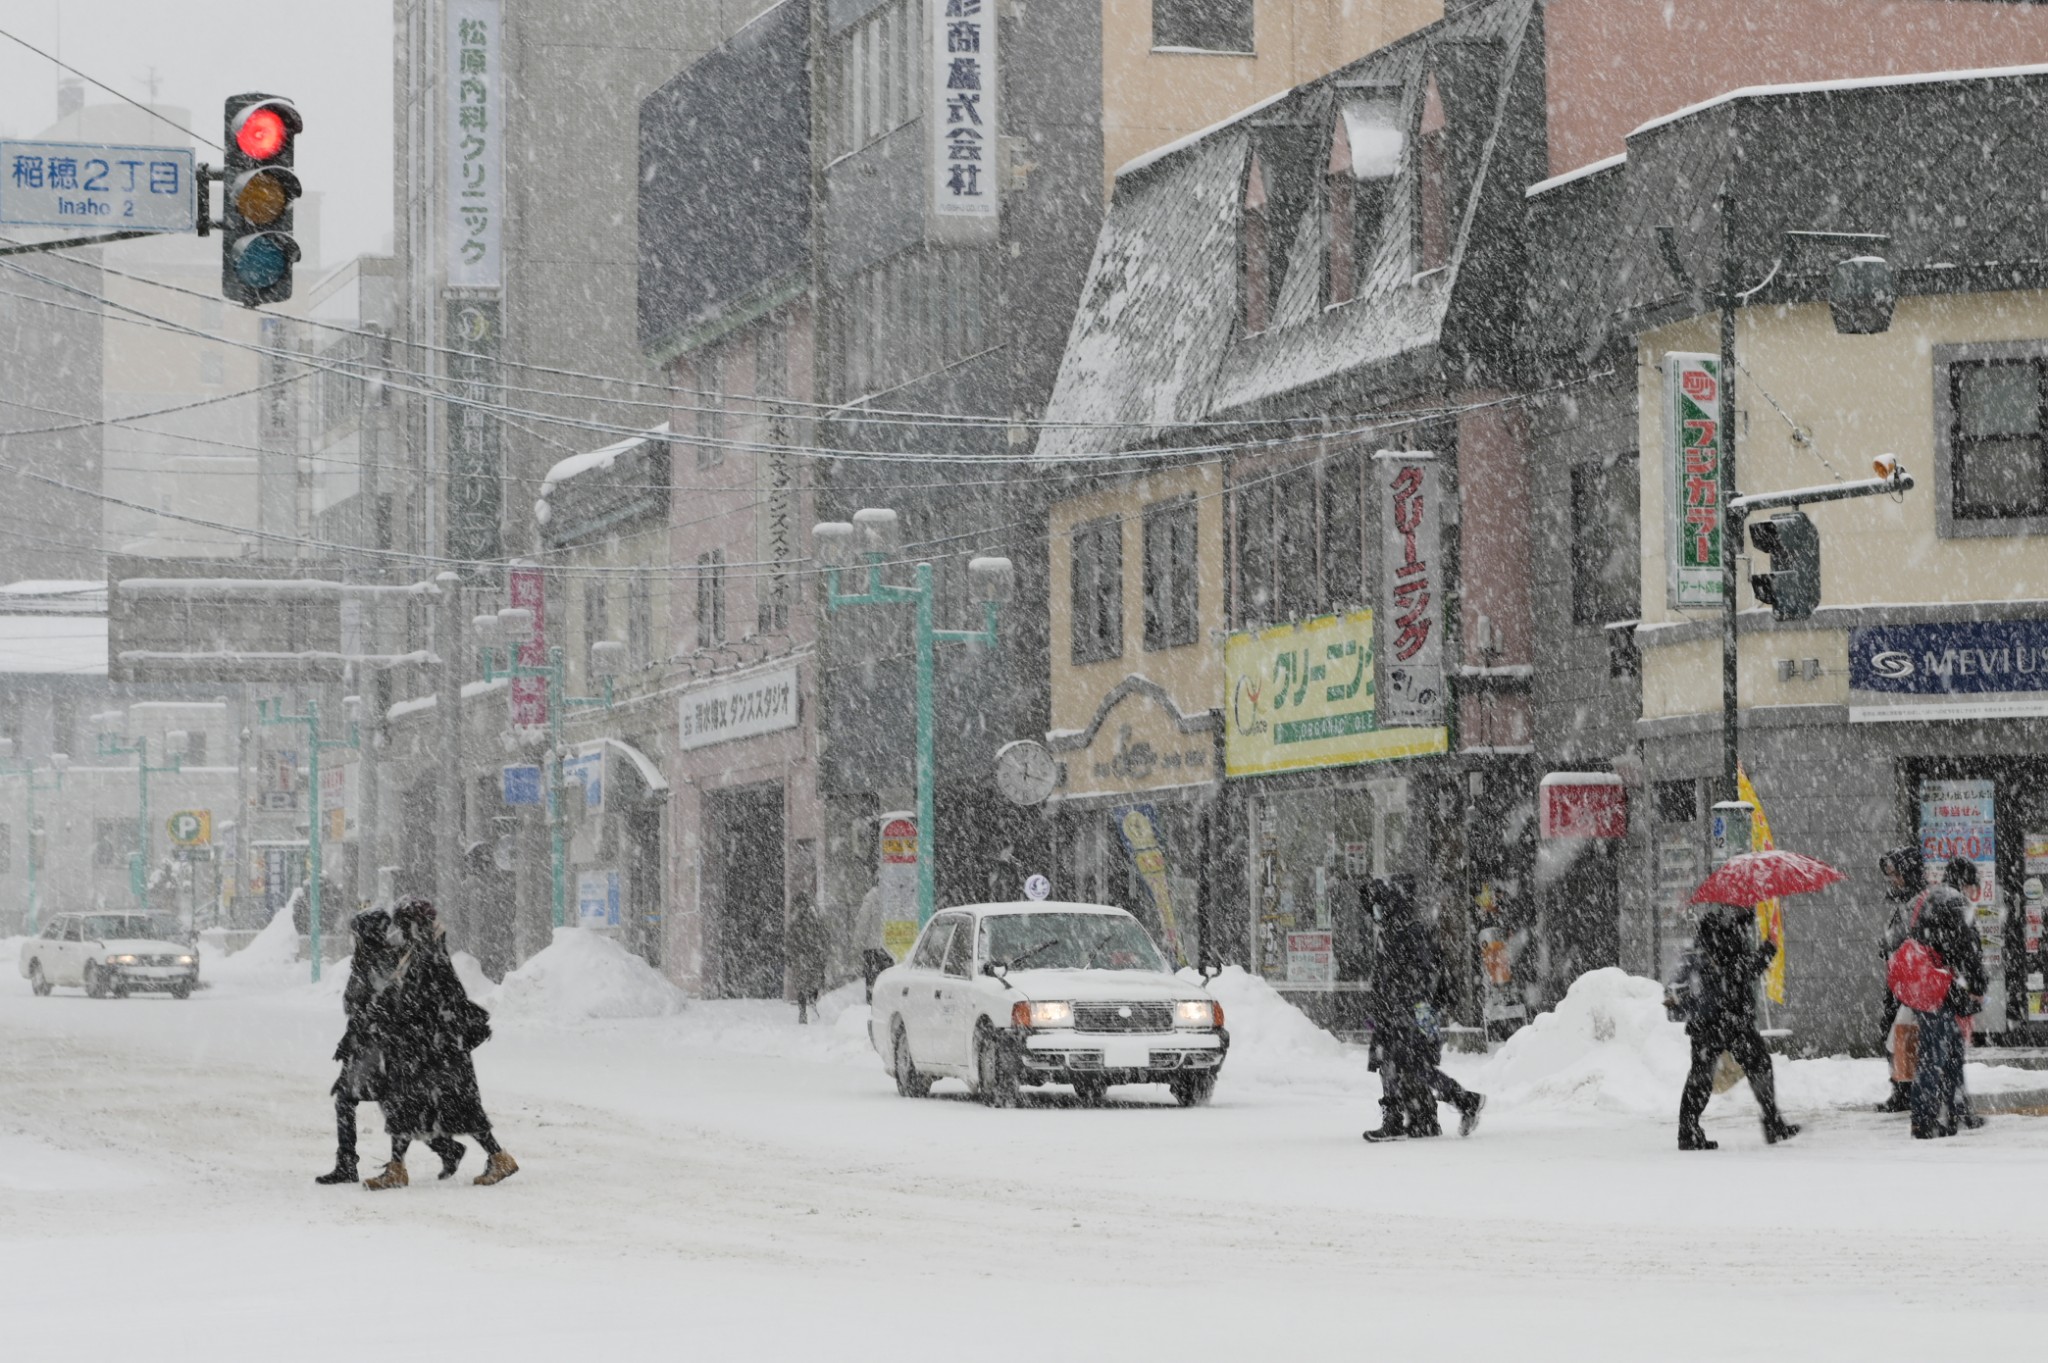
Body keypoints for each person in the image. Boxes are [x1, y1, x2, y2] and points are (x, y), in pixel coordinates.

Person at [364, 900, 518, 1189]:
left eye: (403, 925)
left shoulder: (428, 957)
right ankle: (398, 1167)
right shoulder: (419, 953)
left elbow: (427, 1004)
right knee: (411, 1108)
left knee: (442, 1108)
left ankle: (498, 1157)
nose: (399, 931)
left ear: (413, 926)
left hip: (433, 1052)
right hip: (428, 1051)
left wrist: (393, 1016)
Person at [317, 908, 465, 1185]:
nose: (354, 939)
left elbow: (377, 1006)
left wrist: (364, 1029)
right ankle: (446, 1148)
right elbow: (359, 1006)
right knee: (388, 1106)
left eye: (356, 934)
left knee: (367, 1103)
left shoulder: (380, 963)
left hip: (379, 1047)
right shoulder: (370, 960)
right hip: (369, 1043)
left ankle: (350, 1164)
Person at [1361, 878, 1485, 1142]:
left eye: (1378, 907)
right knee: (1415, 1067)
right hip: (1408, 1011)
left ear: (1390, 906)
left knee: (1397, 1063)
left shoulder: (1406, 933)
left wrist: (1402, 1007)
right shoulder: (1398, 932)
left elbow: (1418, 975)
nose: (1375, 913)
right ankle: (1430, 1116)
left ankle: (1399, 1119)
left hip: (1410, 1012)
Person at [1676, 901, 1799, 1151]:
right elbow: (1737, 972)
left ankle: (1689, 1130)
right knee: (1728, 1070)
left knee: (1714, 1071)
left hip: (1718, 1017)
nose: (1751, 910)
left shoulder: (1720, 928)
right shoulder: (1721, 932)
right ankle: (1690, 1131)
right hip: (1722, 1017)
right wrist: (1768, 950)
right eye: (1747, 906)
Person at [1905, 857, 1989, 1140]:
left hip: (1927, 987)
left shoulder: (1928, 898)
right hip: (1937, 990)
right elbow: (1968, 948)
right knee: (1936, 1053)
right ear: (1966, 882)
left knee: (1951, 1050)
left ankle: (1958, 1110)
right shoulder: (1955, 902)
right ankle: (1924, 1120)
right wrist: (1977, 983)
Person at [1874, 845, 1926, 1113]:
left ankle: (1906, 1089)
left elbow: (1913, 937)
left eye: (1897, 874)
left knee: (1902, 1034)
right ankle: (1901, 1086)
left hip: (1911, 982)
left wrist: (1892, 945)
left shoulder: (1919, 901)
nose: (1893, 879)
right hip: (1898, 979)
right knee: (1893, 1031)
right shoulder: (1901, 900)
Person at [787, 894, 831, 1025]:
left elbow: (791, 938)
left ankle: (806, 1011)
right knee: (810, 984)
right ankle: (810, 1010)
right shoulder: (815, 918)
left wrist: (791, 954)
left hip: (804, 956)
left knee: (805, 985)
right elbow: (824, 936)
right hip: (810, 956)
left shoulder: (800, 919)